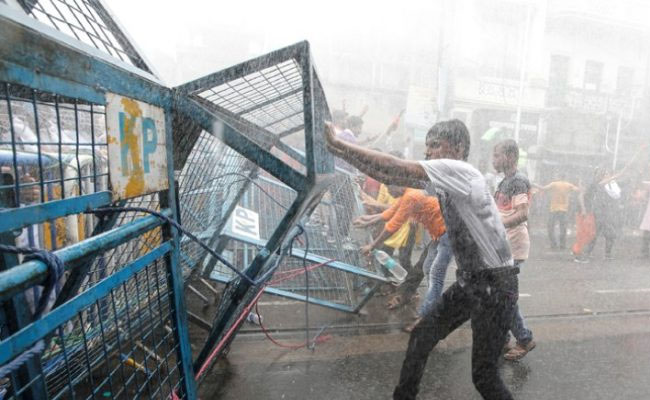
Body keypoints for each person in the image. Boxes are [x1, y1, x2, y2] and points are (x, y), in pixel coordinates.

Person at [324, 119, 518, 400]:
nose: (428, 153)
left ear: (459, 148)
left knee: (484, 376)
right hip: (473, 282)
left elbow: (395, 167)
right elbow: (392, 177)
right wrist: (343, 154)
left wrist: (342, 146)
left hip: (495, 285)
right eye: (426, 147)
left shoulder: (461, 170)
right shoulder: (446, 178)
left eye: (435, 146)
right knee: (422, 337)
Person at [354, 187, 450, 319]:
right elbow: (389, 213)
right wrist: (367, 220)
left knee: (433, 274)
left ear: (398, 184)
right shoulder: (406, 195)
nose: (389, 192)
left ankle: (426, 314)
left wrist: (372, 245)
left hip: (448, 233)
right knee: (424, 267)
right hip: (440, 234)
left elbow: (393, 225)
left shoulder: (411, 196)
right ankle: (406, 296)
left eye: (390, 187)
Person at [492, 140, 536, 362]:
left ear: (510, 157)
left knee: (506, 298)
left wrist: (496, 225)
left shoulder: (518, 182)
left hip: (514, 247)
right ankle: (503, 339)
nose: (493, 159)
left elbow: (522, 214)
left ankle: (524, 339)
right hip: (503, 246)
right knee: (500, 296)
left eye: (497, 155)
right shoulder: (504, 181)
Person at [535, 173, 579, 250]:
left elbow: (543, 188)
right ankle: (562, 245)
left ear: (558, 177)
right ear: (565, 177)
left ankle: (553, 244)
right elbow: (577, 190)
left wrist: (535, 185)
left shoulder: (554, 184)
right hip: (564, 210)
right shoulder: (568, 185)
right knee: (563, 228)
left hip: (554, 209)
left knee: (550, 227)